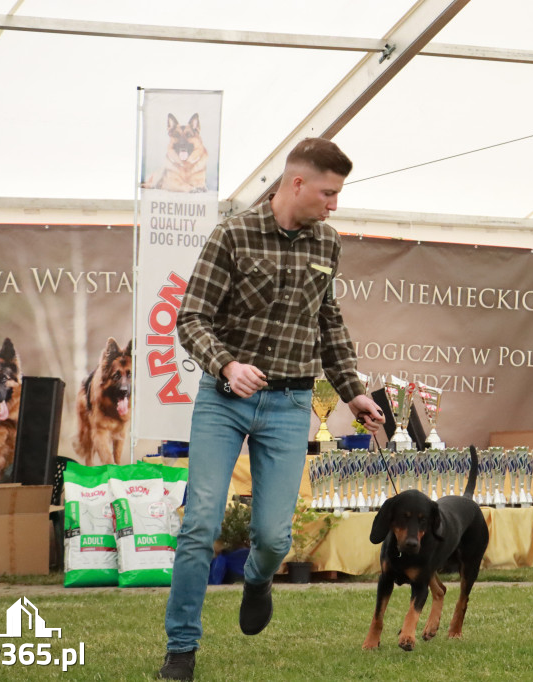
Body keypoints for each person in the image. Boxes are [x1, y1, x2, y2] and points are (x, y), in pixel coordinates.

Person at [159, 138, 385, 681]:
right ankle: (181, 649)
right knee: (200, 524)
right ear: (297, 183)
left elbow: (328, 323)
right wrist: (227, 366)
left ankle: (258, 580)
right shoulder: (233, 234)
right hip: (224, 400)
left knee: (275, 539)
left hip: (290, 404)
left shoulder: (327, 244)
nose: (334, 205)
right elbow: (190, 319)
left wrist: (352, 389)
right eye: (329, 193)